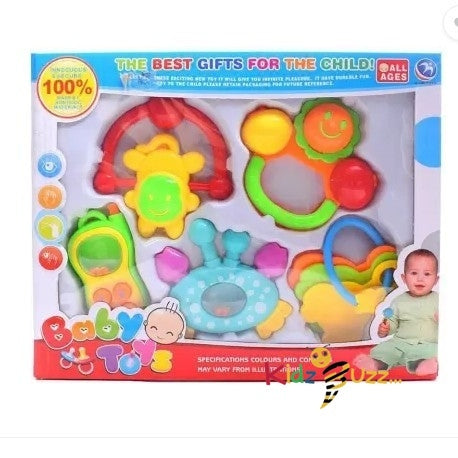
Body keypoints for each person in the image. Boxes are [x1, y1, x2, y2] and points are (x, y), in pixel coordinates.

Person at [354, 249, 439, 376]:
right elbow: (393, 321)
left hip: (427, 344)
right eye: (414, 273)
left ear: (436, 280)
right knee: (385, 349)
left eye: (427, 274)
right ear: (404, 278)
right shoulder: (399, 300)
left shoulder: (439, 300)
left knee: (436, 351)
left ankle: (422, 365)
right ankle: (377, 363)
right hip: (400, 343)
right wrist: (386, 329)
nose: (420, 278)